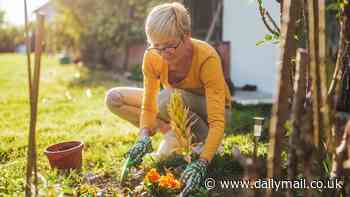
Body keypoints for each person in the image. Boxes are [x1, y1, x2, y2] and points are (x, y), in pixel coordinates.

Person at [105, 2, 232, 195]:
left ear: (186, 36)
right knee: (114, 98)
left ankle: (203, 144)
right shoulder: (152, 56)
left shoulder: (207, 57)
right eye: (157, 47)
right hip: (175, 106)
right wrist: (143, 136)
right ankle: (174, 133)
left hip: (213, 115)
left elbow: (217, 121)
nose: (164, 54)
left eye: (170, 46)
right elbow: (148, 105)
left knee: (168, 97)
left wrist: (203, 163)